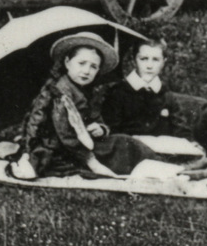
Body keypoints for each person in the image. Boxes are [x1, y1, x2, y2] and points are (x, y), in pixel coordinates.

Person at [13, 32, 154, 179]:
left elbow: (95, 116)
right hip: (58, 146)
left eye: (93, 67)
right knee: (118, 148)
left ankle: (152, 165)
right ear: (67, 62)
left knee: (122, 142)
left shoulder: (84, 90)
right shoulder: (60, 92)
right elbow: (65, 133)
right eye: (81, 63)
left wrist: (100, 128)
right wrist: (90, 160)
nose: (86, 71)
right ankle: (145, 166)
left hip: (81, 143)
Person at [97, 37, 187, 138]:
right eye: (144, 59)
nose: (149, 66)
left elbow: (181, 129)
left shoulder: (166, 95)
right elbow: (112, 129)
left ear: (164, 62)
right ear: (134, 60)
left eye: (156, 60)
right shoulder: (118, 93)